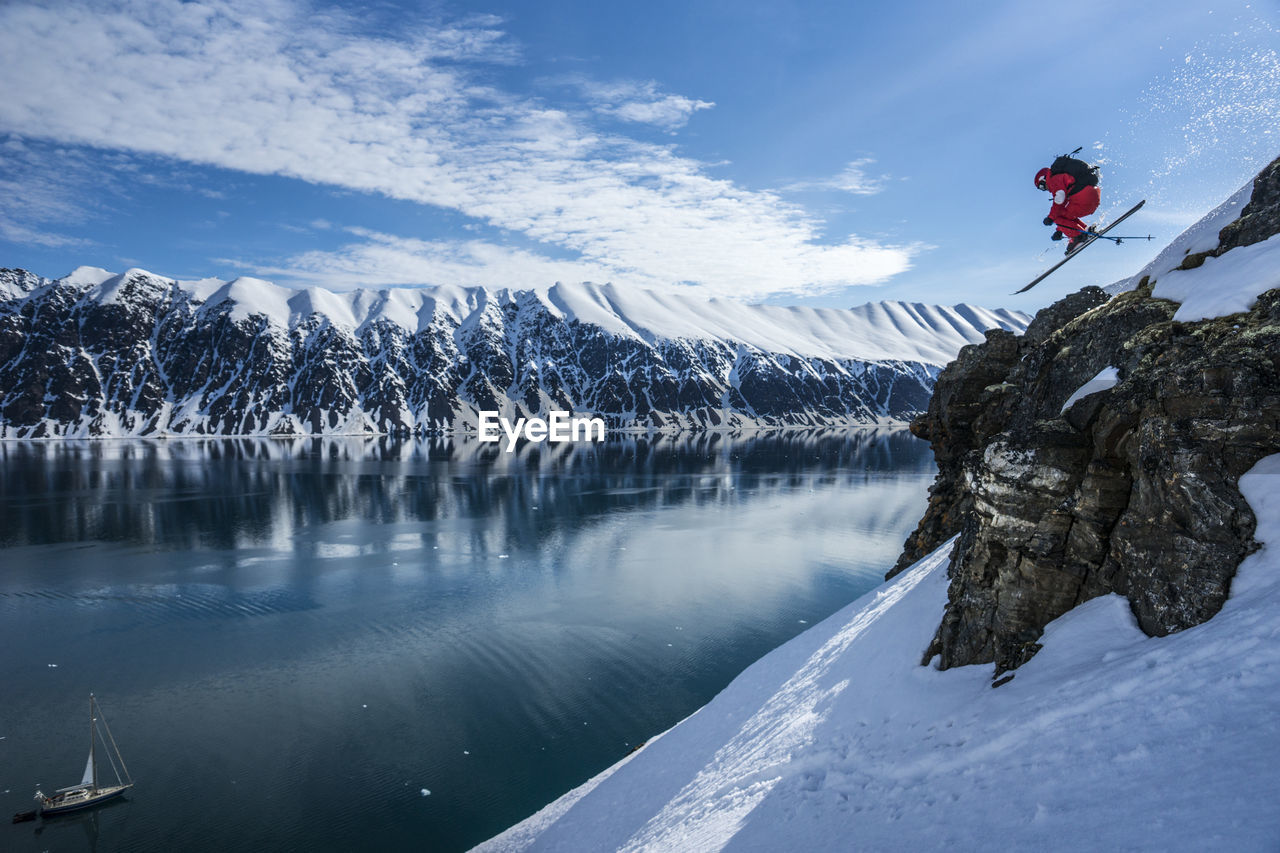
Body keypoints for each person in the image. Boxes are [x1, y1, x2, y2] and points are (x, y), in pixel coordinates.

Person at [1035, 164, 1100, 254]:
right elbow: (1064, 210)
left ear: (1044, 179)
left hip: (1084, 198)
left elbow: (1059, 201)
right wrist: (1059, 230)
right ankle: (1086, 230)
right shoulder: (1062, 177)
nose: (1045, 189)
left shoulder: (1053, 180)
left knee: (1056, 217)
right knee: (1064, 213)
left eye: (1042, 187)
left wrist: (1050, 218)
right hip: (1092, 196)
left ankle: (1079, 236)